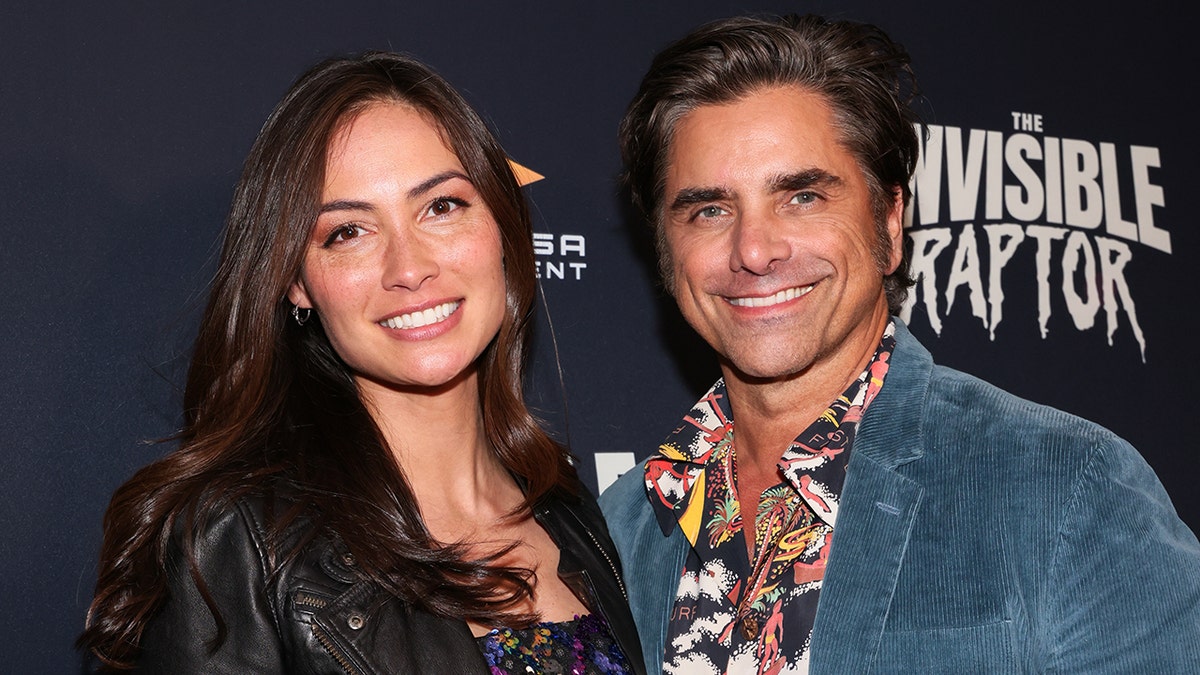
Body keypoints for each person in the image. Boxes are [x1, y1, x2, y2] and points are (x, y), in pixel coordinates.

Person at [600, 14, 1200, 674]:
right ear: (665, 248)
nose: (754, 249)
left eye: (801, 196)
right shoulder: (628, 523)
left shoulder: (1069, 488)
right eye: (709, 209)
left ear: (890, 220)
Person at [78, 52, 643, 674]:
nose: (409, 268)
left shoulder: (571, 513)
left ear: (503, 230)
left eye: (441, 206)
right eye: (348, 231)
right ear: (295, 281)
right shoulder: (233, 544)